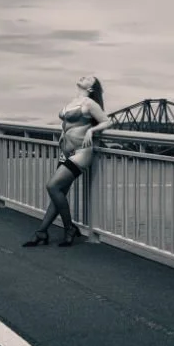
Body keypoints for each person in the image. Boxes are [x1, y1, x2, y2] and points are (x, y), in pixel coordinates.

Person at [23, 75, 113, 248]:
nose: (83, 76)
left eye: (88, 78)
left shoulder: (89, 103)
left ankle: (69, 228)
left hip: (81, 153)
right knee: (59, 193)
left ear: (91, 88)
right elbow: (67, 124)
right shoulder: (73, 101)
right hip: (66, 151)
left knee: (53, 186)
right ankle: (41, 232)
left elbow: (107, 121)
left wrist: (91, 131)